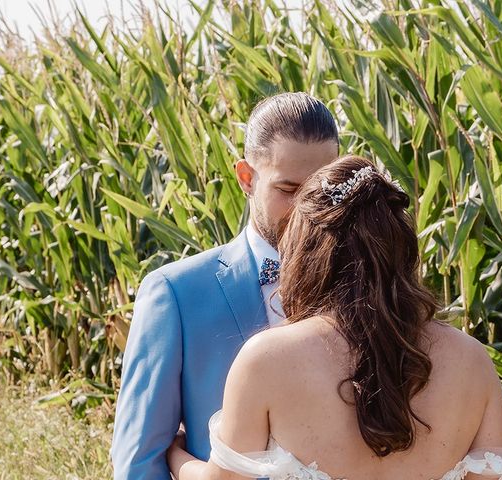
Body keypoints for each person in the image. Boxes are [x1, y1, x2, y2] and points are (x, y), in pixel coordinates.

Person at [166, 155, 502, 480]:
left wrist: (176, 457)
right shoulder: (473, 361)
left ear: (308, 252)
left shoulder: (266, 360)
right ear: (402, 248)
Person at [110, 92, 340, 479]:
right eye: (288, 189)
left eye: (319, 190)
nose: (306, 209)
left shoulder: (369, 285)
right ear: (246, 179)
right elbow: (139, 459)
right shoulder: (176, 294)